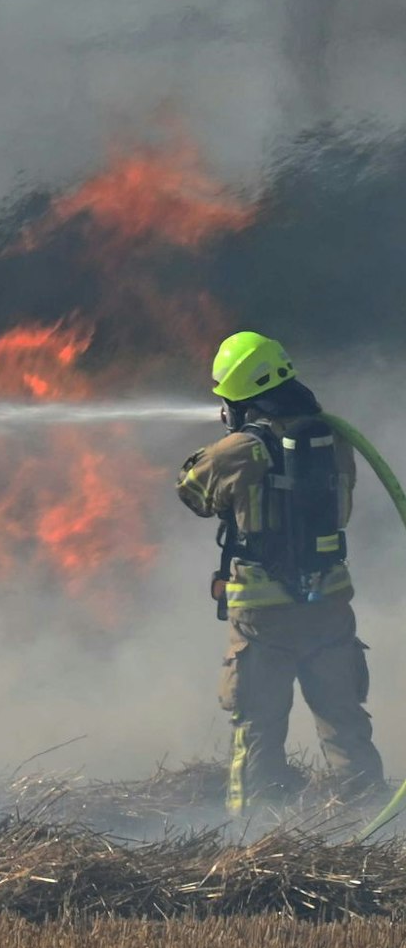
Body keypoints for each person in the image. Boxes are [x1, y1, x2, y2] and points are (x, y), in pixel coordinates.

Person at [176, 331, 383, 814]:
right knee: (345, 725)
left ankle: (254, 836)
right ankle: (373, 827)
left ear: (241, 396)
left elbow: (192, 494)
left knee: (257, 731)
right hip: (329, 607)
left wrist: (228, 442)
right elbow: (344, 509)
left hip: (261, 619)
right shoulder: (334, 440)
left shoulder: (239, 450)